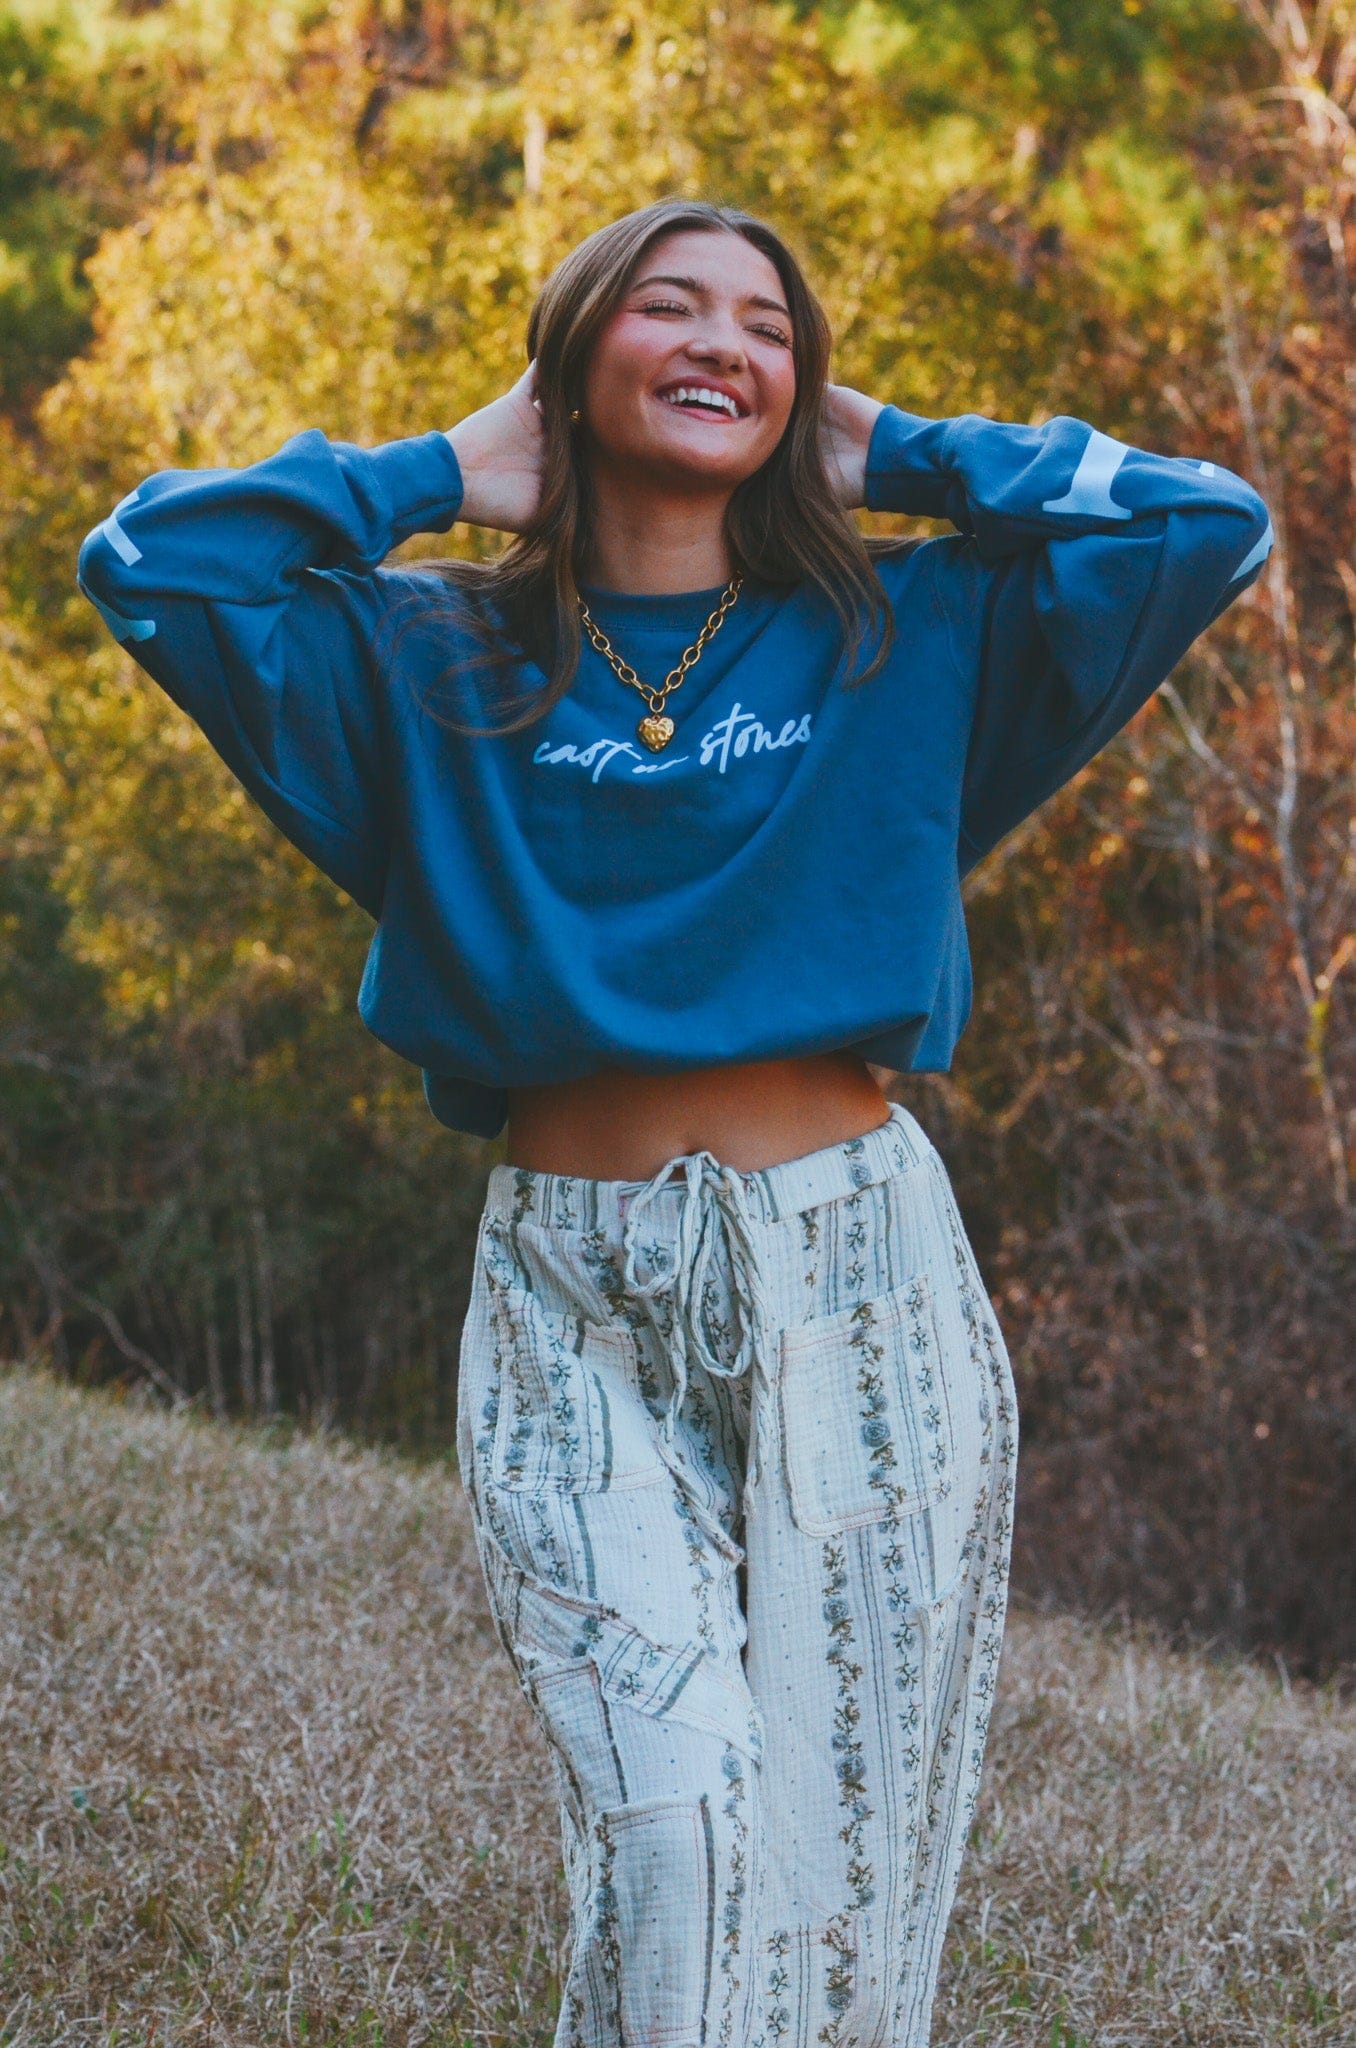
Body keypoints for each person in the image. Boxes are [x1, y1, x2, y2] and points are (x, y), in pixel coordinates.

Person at [76, 196, 1272, 2048]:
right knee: (676, 1831)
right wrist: (432, 472)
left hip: (858, 1283)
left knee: (843, 1895)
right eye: (670, 306)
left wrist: (904, 451)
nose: (726, 343)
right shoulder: (420, 657)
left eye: (770, 329)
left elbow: (1208, 525)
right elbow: (154, 566)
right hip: (568, 1303)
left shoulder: (907, 631)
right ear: (570, 362)